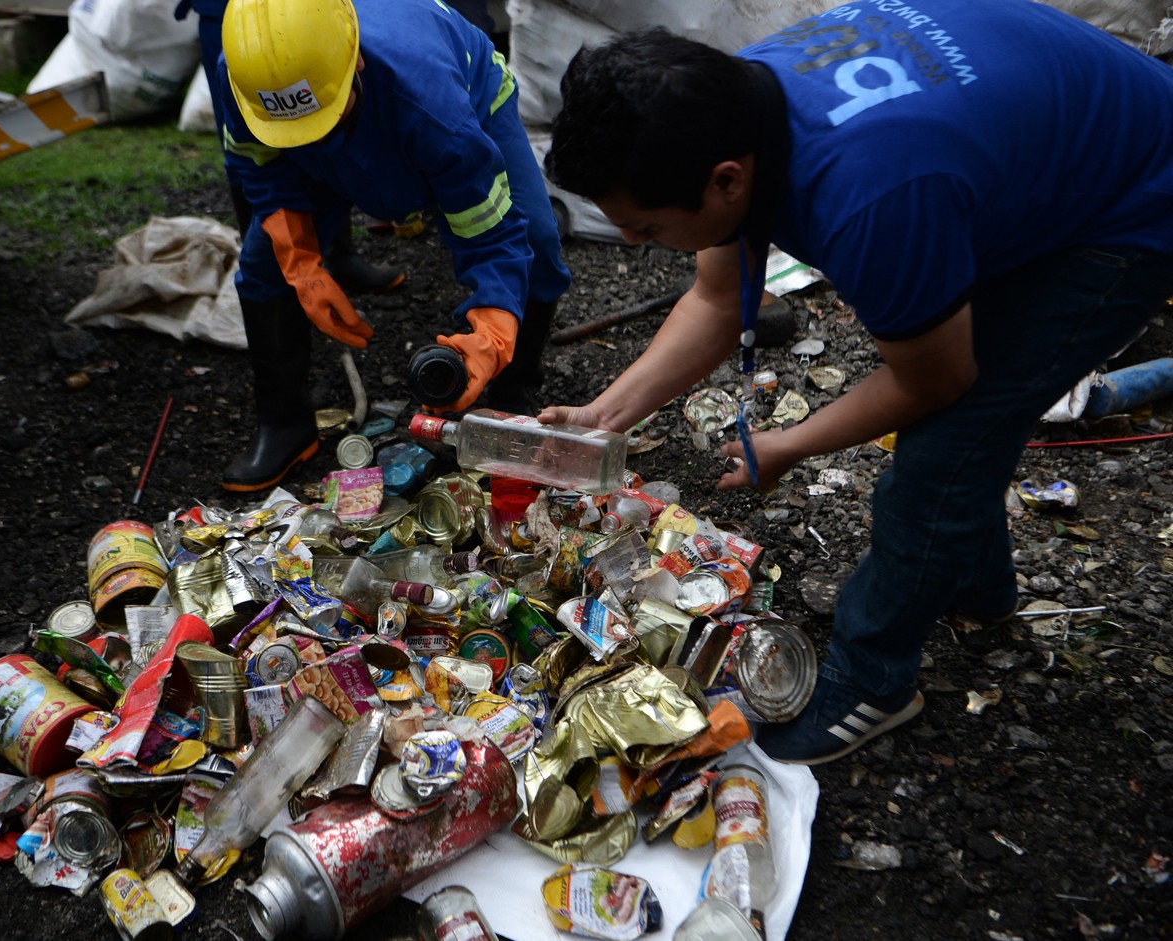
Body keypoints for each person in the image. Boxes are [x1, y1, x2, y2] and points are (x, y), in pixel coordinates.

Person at [541, 0, 1173, 765]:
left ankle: (874, 676)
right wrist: (606, 413)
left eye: (646, 228)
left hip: (1134, 201)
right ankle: (971, 583)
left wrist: (790, 443)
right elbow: (717, 296)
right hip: (1036, 146)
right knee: (969, 428)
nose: (636, 243)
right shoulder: (730, 103)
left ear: (726, 181)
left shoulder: (871, 197)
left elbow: (937, 380)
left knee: (943, 452)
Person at [215, 0, 571, 493]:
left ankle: (513, 397)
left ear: (356, 61)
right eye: (297, 127)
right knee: (262, 268)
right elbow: (258, 164)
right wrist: (301, 264)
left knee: (536, 241)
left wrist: (493, 332)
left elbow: (492, 232)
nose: (317, 137)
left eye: (326, 118)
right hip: (358, 122)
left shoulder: (434, 108)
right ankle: (284, 425)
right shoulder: (247, 73)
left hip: (460, 100)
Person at [173, 0, 405, 296]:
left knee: (326, 117)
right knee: (249, 140)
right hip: (227, 14)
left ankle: (338, 254)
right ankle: (270, 269)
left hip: (302, 14)